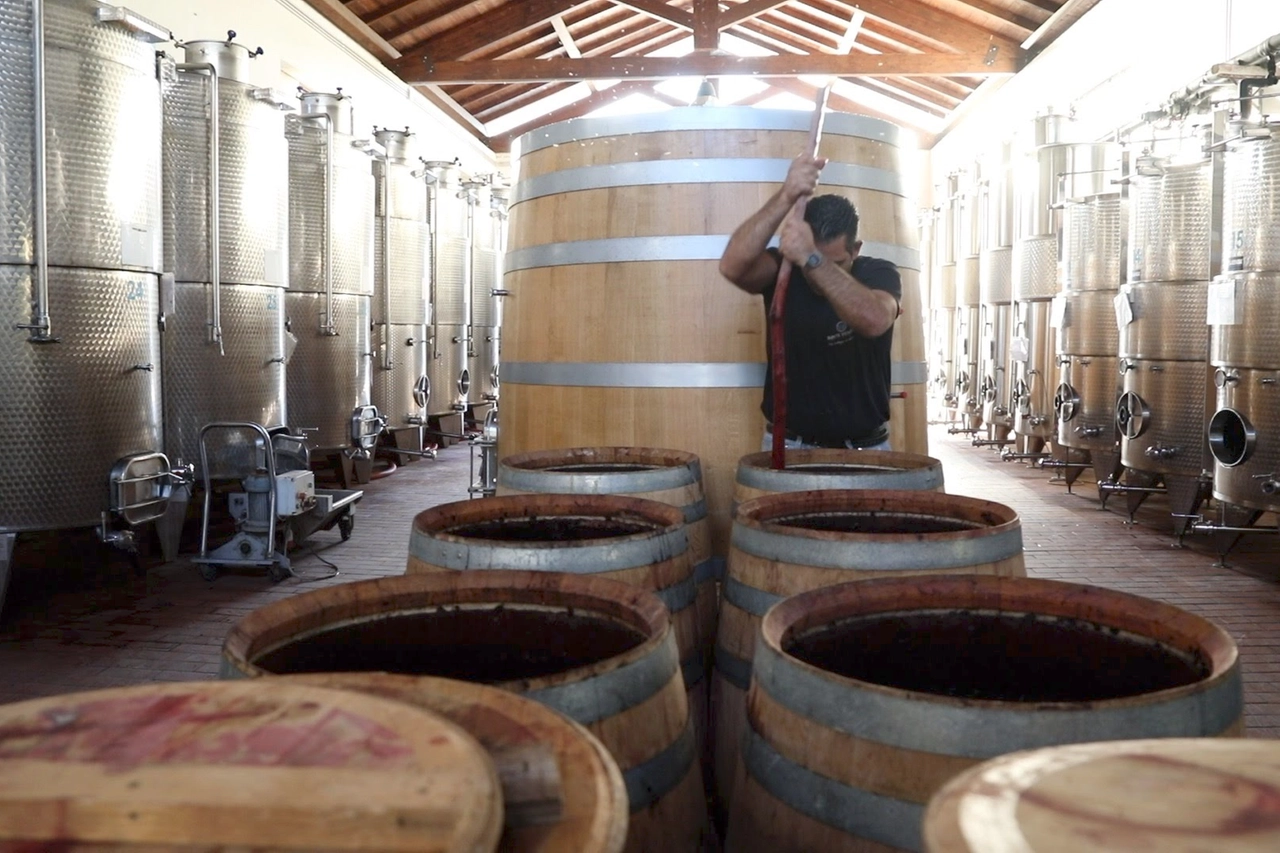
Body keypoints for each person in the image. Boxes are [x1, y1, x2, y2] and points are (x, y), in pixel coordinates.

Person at [719, 153, 902, 452]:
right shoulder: (785, 269)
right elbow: (732, 266)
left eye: (836, 263)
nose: (816, 275)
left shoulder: (878, 273)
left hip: (864, 449)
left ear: (856, 250)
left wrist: (811, 258)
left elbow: (875, 320)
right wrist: (786, 195)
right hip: (790, 445)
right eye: (809, 261)